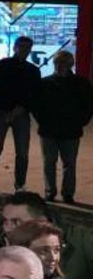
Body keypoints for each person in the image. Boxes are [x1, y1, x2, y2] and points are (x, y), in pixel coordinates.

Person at [32, 49, 93, 203]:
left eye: (63, 63)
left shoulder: (81, 84)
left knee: (69, 164)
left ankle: (68, 194)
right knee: (49, 163)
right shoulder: (44, 83)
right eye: (57, 63)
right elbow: (36, 105)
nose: (59, 66)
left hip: (70, 131)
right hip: (49, 131)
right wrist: (42, 121)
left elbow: (88, 105)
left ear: (70, 65)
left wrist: (82, 121)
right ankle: (50, 192)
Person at [0, 35, 41, 192]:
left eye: (27, 48)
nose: (24, 50)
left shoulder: (33, 71)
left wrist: (21, 108)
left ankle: (20, 184)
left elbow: (35, 94)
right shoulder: (2, 65)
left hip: (21, 114)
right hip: (1, 112)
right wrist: (6, 110)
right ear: (15, 47)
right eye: (22, 47)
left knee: (22, 152)